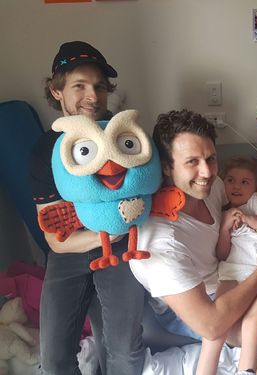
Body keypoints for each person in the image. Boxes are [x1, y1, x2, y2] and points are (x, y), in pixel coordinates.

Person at [130, 109, 257, 375]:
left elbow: (256, 202)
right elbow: (210, 325)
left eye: (211, 159)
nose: (207, 171)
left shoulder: (210, 187)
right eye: (192, 162)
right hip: (197, 303)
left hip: (231, 267)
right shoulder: (161, 240)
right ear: (167, 167)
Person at [29, 41, 145, 375]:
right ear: (57, 92)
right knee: (54, 359)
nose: (92, 96)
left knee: (122, 349)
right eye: (79, 86)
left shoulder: (126, 136)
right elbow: (56, 240)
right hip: (72, 251)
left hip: (123, 247)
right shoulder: (44, 152)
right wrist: (111, 227)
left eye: (99, 86)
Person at [197, 157, 257, 375]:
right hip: (231, 272)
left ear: (256, 187)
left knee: (255, 322)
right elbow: (222, 254)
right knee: (217, 327)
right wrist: (226, 227)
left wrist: (247, 219)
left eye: (245, 182)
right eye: (230, 180)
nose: (236, 186)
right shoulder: (221, 213)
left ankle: (247, 371)